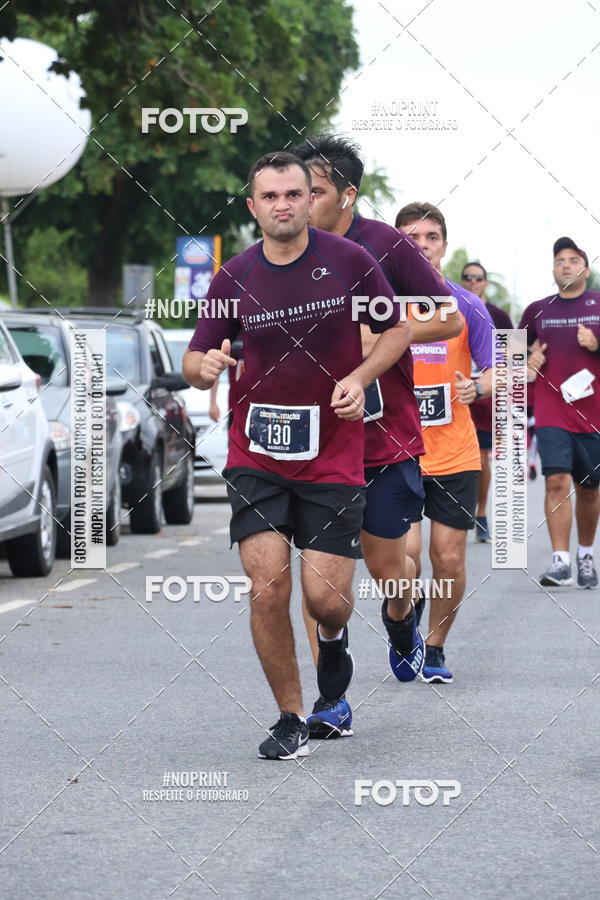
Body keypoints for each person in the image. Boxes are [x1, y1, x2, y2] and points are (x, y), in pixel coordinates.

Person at [183, 151, 411, 759]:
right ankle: (289, 717)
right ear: (252, 205)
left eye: (295, 194)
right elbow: (196, 357)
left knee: (325, 600)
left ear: (311, 200)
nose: (283, 205)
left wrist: (360, 379)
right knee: (265, 588)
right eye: (271, 196)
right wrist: (203, 368)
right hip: (254, 452)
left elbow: (396, 331)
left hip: (332, 454)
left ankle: (333, 644)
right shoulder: (233, 276)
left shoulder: (350, 262)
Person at [293, 135, 463, 738]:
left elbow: (448, 316)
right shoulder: (285, 249)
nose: (301, 204)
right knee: (321, 585)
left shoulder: (385, 245)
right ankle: (330, 702)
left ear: (345, 194)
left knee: (391, 568)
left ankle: (400, 618)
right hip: (315, 445)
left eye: (313, 191)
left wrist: (379, 340)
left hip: (384, 437)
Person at [395, 202, 494, 683]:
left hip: (455, 451)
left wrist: (478, 386)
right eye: (411, 238)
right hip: (398, 450)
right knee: (405, 555)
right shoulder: (378, 305)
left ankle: (434, 647)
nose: (422, 246)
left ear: (444, 246)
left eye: (431, 237)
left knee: (449, 557)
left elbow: (501, 366)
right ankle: (405, 614)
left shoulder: (465, 305)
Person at [519, 237, 600, 589]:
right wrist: (527, 360)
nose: (565, 265)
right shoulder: (538, 310)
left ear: (585, 267)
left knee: (590, 489)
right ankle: (560, 561)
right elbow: (506, 355)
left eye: (572, 259)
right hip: (552, 410)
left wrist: (597, 345)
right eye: (559, 261)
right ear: (553, 270)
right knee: (555, 481)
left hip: (593, 414)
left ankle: (585, 554)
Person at [460, 262, 513, 542]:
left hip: (484, 394)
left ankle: (480, 514)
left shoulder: (499, 316)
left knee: (480, 458)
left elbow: (513, 360)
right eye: (467, 278)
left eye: (478, 278)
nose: (473, 282)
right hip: (453, 390)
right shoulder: (450, 306)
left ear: (485, 283)